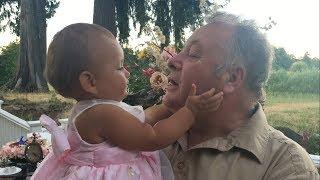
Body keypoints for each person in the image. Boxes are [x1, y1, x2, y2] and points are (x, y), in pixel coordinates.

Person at [31, 23, 223, 180]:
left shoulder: (96, 110)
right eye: (119, 67)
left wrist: (166, 108)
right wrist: (189, 112)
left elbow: (141, 118)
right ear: (90, 82)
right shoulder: (101, 114)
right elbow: (152, 137)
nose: (127, 73)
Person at [162, 12, 319, 180]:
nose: (172, 60)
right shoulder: (145, 130)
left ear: (232, 78)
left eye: (193, 54)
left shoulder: (285, 166)